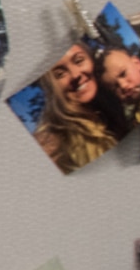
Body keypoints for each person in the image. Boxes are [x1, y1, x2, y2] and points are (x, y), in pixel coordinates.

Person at [33, 41, 118, 172]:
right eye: (60, 74)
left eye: (79, 61)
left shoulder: (114, 102)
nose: (75, 75)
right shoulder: (53, 142)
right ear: (52, 88)